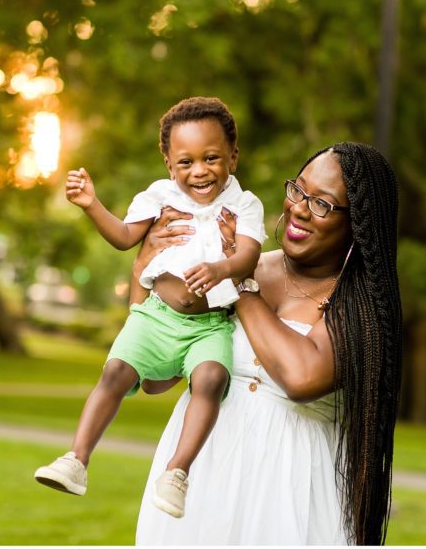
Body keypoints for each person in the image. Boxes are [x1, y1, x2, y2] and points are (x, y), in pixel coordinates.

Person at [135, 141, 402, 546]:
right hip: (201, 472)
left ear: (358, 223)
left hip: (290, 488)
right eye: (298, 190)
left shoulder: (361, 307)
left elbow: (301, 377)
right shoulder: (246, 263)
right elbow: (156, 378)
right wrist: (142, 271)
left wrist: (236, 282)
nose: (298, 208)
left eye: (322, 204)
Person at [34, 97, 265, 519]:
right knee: (114, 371)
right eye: (185, 162)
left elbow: (249, 256)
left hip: (210, 324)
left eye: (211, 158)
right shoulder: (158, 196)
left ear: (233, 155)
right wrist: (90, 204)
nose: (199, 171)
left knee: (212, 378)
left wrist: (222, 267)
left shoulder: (245, 204)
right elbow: (125, 237)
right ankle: (76, 460)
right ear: (167, 163)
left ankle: (176, 473)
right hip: (155, 315)